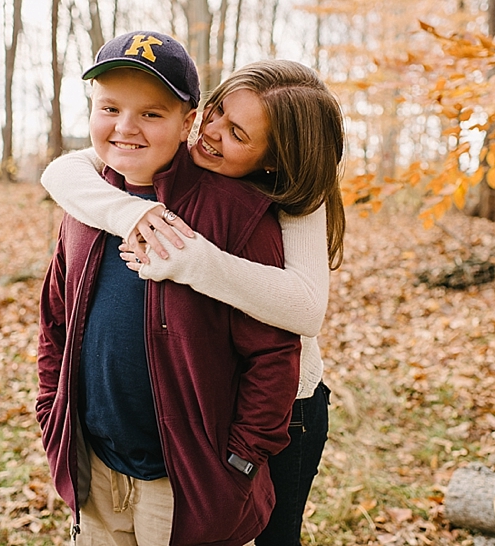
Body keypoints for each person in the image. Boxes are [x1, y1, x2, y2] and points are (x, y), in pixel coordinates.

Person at [41, 58, 346, 545]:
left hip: (285, 408)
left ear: (275, 159)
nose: (210, 131)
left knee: (271, 535)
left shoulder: (289, 199)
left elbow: (305, 312)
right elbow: (64, 170)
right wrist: (131, 213)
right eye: (218, 110)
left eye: (238, 134)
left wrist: (195, 260)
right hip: (173, 420)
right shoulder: (170, 147)